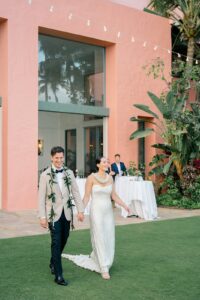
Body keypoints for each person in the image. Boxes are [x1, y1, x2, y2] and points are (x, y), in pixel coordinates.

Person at [62, 156, 130, 280]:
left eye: (107, 162)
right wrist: (81, 211)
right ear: (98, 165)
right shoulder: (91, 178)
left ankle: (106, 260)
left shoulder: (110, 178)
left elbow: (114, 195)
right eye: (104, 162)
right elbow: (87, 196)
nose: (107, 163)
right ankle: (104, 268)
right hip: (96, 211)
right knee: (99, 235)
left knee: (108, 236)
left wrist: (124, 205)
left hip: (108, 211)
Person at [38, 146, 84, 286]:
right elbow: (41, 198)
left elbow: (75, 192)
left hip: (67, 213)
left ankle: (53, 261)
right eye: (56, 158)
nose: (59, 160)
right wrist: (42, 216)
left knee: (64, 239)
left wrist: (80, 210)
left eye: (61, 158)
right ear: (52, 158)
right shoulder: (45, 175)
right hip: (53, 214)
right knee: (56, 242)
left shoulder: (69, 173)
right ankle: (58, 275)